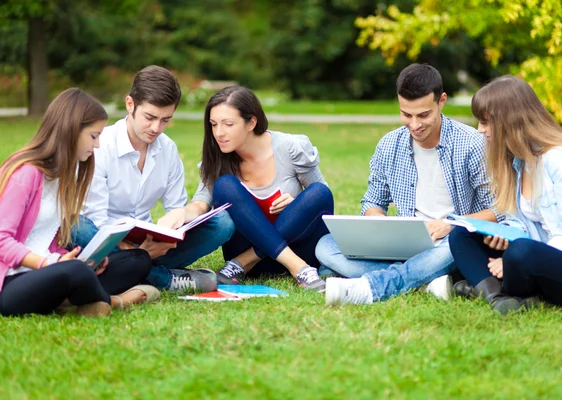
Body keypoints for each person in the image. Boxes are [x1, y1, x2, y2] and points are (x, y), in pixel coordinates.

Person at [318, 63, 498, 305]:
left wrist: (450, 224)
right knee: (325, 246)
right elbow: (373, 200)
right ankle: (426, 281)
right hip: (404, 244)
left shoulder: (471, 144)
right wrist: (378, 223)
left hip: (452, 241)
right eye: (406, 114)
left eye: (423, 115)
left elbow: (496, 210)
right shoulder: (389, 145)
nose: (414, 124)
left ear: (441, 101)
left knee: (451, 246)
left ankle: (372, 287)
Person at [75, 65, 235, 292]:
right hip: (108, 243)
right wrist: (134, 250)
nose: (156, 128)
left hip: (150, 244)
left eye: (165, 120)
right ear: (130, 104)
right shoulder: (102, 146)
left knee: (222, 224)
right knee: (79, 228)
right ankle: (164, 279)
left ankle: (136, 270)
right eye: (149, 117)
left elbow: (176, 209)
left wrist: (170, 234)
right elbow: (97, 220)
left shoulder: (167, 149)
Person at [448, 75, 562, 314]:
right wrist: (505, 235)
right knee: (462, 234)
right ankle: (497, 297)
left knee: (521, 252)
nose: (480, 129)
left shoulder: (560, 159)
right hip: (535, 257)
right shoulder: (519, 163)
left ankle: (487, 286)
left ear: (510, 121)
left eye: (486, 122)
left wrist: (512, 257)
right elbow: (524, 224)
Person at [0, 88, 157, 317]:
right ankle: (114, 301)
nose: (97, 145)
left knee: (137, 260)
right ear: (71, 131)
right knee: (74, 271)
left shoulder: (62, 176)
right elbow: (2, 240)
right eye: (93, 136)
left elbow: (46, 239)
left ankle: (71, 299)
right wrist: (49, 264)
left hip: (51, 272)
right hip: (10, 282)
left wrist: (74, 258)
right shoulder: (26, 174)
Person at [161, 86, 333, 292]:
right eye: (214, 125)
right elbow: (200, 203)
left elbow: (322, 199)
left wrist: (298, 201)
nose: (219, 133)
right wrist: (182, 212)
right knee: (225, 185)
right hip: (254, 264)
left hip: (293, 250)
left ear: (252, 122)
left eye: (228, 124)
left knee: (319, 193)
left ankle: (248, 260)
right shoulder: (217, 160)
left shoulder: (290, 148)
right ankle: (296, 269)